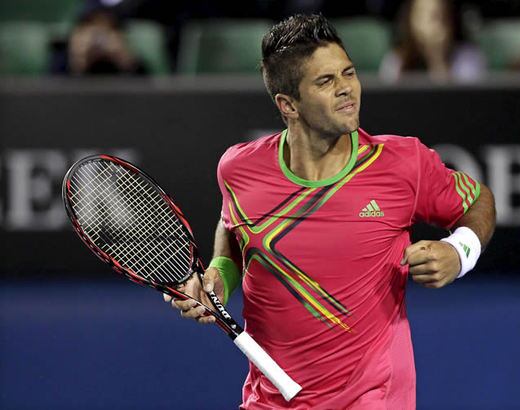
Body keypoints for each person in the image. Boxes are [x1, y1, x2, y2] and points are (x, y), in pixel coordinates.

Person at [164, 14, 496, 409]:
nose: (347, 90)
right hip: (269, 398)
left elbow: (477, 200)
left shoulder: (401, 163)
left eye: (349, 73)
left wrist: (460, 252)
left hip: (374, 397)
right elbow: (233, 226)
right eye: (326, 81)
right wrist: (221, 274)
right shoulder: (238, 169)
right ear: (288, 105)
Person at [379, 0, 486, 83]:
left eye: (442, 17)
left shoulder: (468, 58)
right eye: (430, 17)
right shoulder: (396, 61)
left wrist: (437, 60)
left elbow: (465, 101)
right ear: (411, 21)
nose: (437, 26)